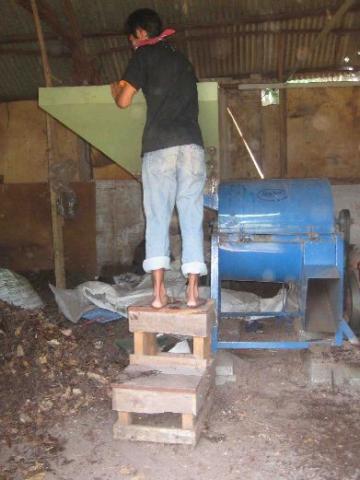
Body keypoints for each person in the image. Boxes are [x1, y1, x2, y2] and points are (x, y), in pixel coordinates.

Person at [111, 8, 207, 309]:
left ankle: (158, 294)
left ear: (141, 33)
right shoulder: (183, 59)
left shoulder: (143, 56)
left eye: (132, 39)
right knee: (192, 216)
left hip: (159, 147)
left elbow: (124, 102)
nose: (132, 44)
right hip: (192, 146)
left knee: (158, 216)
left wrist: (116, 88)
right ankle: (193, 294)